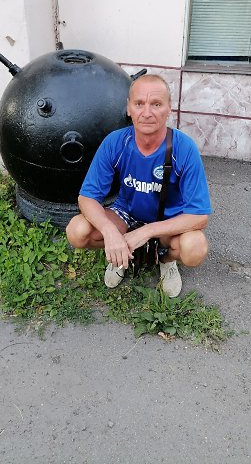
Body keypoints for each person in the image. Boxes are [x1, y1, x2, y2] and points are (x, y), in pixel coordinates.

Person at [65, 74, 211, 297]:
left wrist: (148, 231)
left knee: (195, 247)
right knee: (78, 231)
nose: (147, 112)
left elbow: (199, 216)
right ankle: (119, 254)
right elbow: (87, 197)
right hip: (126, 214)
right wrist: (109, 232)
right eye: (139, 103)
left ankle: (166, 260)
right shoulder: (116, 142)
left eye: (156, 104)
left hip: (167, 219)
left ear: (169, 108)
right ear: (129, 108)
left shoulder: (184, 148)